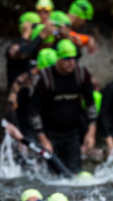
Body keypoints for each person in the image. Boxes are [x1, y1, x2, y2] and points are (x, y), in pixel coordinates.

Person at [28, 39, 97, 173]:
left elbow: (90, 104)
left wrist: (91, 131)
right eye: (67, 59)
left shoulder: (82, 74)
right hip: (50, 134)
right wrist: (42, 139)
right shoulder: (45, 78)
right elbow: (32, 110)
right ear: (58, 58)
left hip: (72, 133)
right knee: (52, 175)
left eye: (74, 58)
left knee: (74, 174)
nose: (71, 62)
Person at [5, 49, 58, 143]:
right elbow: (11, 106)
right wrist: (16, 129)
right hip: (26, 123)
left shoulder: (50, 79)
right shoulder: (24, 80)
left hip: (45, 124)